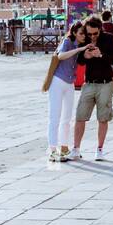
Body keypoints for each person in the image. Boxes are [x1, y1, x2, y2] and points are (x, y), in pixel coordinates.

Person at [72, 17, 113, 161]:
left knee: (103, 118)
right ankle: (76, 149)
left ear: (100, 29)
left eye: (95, 33)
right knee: (80, 116)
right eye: (89, 33)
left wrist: (101, 55)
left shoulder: (109, 39)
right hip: (89, 83)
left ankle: (99, 149)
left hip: (105, 83)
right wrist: (85, 55)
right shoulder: (85, 39)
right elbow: (78, 60)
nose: (92, 36)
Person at [47, 22, 88, 162]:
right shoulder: (67, 41)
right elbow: (61, 56)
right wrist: (78, 49)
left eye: (85, 34)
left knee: (67, 117)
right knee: (55, 116)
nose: (84, 36)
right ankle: (52, 149)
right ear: (75, 32)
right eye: (81, 33)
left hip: (70, 83)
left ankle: (64, 148)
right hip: (58, 81)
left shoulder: (81, 45)